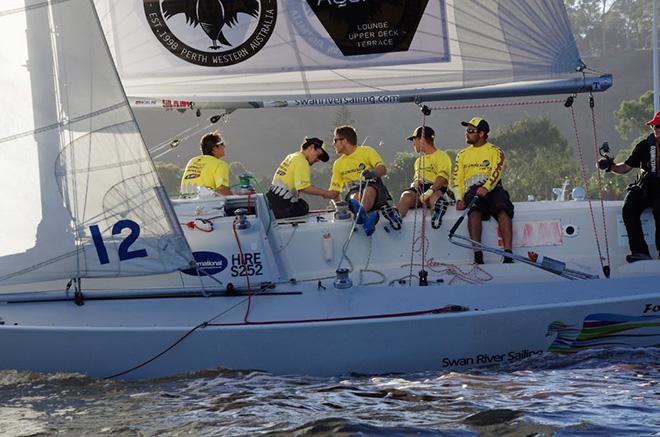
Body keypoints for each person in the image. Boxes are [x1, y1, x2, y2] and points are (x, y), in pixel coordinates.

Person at [597, 111, 660, 263]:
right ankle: (640, 251)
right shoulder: (644, 146)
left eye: (658, 126)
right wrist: (609, 166)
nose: (655, 129)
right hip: (647, 185)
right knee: (629, 207)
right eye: (653, 126)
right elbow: (626, 167)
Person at [454, 117, 514, 264]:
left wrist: (487, 187)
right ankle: (478, 255)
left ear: (481, 134)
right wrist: (458, 198)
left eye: (470, 131)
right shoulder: (462, 154)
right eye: (466, 131)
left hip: (493, 187)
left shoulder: (496, 151)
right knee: (473, 212)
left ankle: (508, 253)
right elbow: (457, 179)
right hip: (473, 190)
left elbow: (497, 171)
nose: (467, 134)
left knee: (503, 210)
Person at [329, 125, 401, 235]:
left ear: (344, 141)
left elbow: (383, 169)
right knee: (355, 196)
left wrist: (372, 173)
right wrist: (340, 209)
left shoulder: (367, 151)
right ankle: (367, 218)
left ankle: (361, 215)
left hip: (373, 187)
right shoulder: (338, 164)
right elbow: (334, 191)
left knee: (368, 191)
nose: (333, 144)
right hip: (355, 190)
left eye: (335, 140)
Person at [396, 126, 453, 229]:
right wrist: (415, 183)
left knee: (434, 197)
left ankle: (436, 215)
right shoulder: (418, 161)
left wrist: (430, 191)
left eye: (414, 140)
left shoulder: (442, 156)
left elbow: (442, 177)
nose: (413, 144)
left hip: (436, 188)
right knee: (406, 195)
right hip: (420, 190)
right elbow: (415, 179)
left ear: (421, 140)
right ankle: (396, 218)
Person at [267, 137, 334, 219]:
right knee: (303, 206)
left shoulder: (291, 156)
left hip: (269, 204)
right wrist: (326, 193)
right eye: (319, 155)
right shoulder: (302, 161)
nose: (318, 160)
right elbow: (304, 187)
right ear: (311, 147)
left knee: (300, 203)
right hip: (283, 207)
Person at [180, 130, 232, 196]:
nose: (224, 146)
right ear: (215, 148)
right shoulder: (220, 164)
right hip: (206, 204)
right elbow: (223, 190)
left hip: (185, 203)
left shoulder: (192, 161)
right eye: (222, 144)